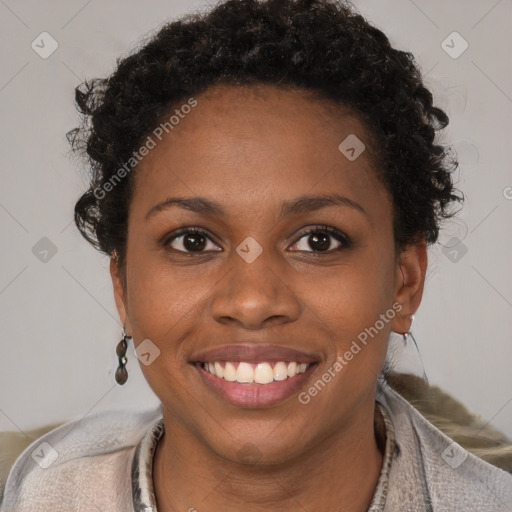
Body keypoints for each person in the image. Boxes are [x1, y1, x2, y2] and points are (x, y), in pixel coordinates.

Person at [2, 0, 511, 510]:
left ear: (405, 281)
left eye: (318, 240)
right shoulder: (41, 490)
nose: (251, 302)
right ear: (123, 287)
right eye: (193, 241)